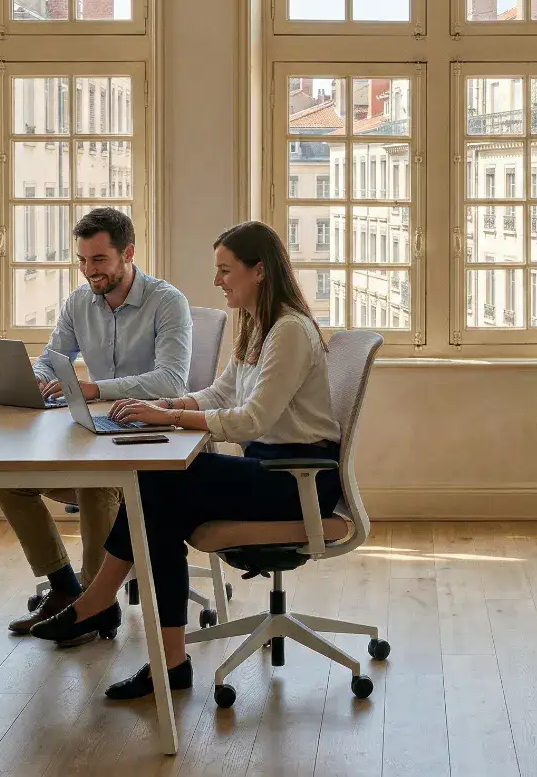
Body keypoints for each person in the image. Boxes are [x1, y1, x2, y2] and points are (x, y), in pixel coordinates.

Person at [30, 221, 341, 700]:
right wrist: (165, 408)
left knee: (157, 485)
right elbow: (221, 393)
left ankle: (106, 608)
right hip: (270, 468)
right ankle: (162, 657)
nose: (217, 281)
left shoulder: (289, 331)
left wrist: (171, 417)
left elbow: (252, 419)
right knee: (157, 496)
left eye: (225, 270)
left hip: (298, 479)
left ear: (259, 271)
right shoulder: (258, 325)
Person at [0, 206, 192, 642]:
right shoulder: (79, 302)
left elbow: (171, 380)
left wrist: (95, 388)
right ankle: (66, 588)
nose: (89, 270)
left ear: (128, 254)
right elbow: (53, 357)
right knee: (9, 479)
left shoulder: (167, 301)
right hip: (96, 433)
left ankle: (94, 603)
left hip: (152, 441)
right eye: (82, 260)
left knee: (96, 481)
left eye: (99, 259)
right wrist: (37, 378)